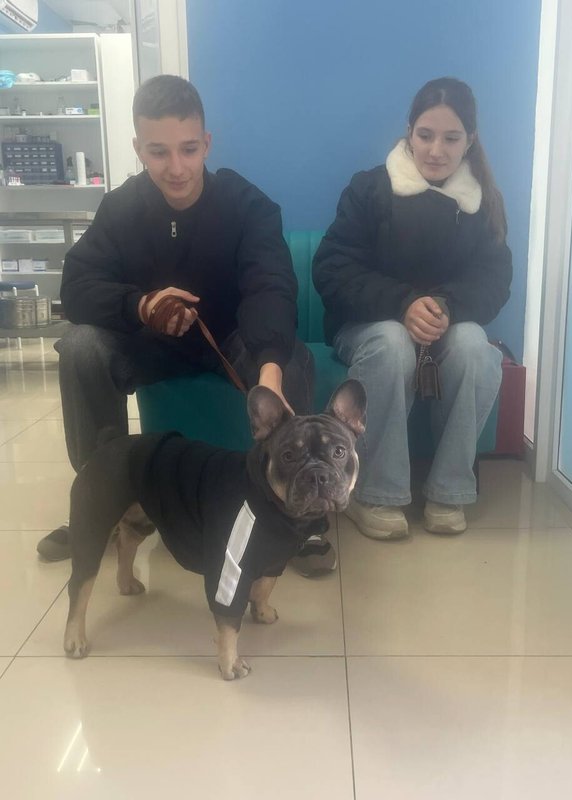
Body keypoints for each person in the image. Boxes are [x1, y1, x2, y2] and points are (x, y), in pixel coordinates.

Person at [37, 74, 335, 577]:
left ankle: (300, 514)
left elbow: (271, 286)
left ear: (207, 143)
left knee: (290, 360)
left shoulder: (249, 205)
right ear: (138, 148)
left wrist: (269, 367)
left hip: (233, 336)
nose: (176, 168)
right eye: (158, 152)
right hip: (148, 341)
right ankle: (99, 499)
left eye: (189, 149)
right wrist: (139, 306)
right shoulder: (119, 208)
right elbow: (77, 287)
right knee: (81, 348)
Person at [313, 77, 512, 539]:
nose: (436, 150)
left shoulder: (483, 202)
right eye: (425, 135)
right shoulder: (369, 188)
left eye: (451, 138)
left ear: (470, 140)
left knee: (475, 346)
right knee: (391, 341)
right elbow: (333, 268)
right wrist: (402, 304)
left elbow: (494, 281)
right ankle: (373, 493)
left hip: (446, 328)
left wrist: (447, 306)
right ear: (409, 132)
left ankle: (449, 491)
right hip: (368, 328)